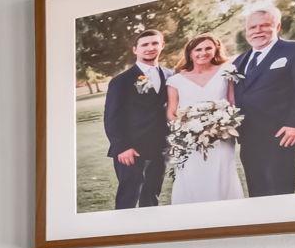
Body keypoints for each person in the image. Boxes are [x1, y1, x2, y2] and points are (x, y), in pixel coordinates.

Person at [232, 6, 295, 197]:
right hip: (249, 136)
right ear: (246, 31)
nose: (258, 31)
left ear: (278, 27)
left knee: (279, 188)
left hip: (282, 133)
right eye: (252, 27)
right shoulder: (239, 61)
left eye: (265, 25)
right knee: (256, 189)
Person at [166, 34, 244, 204]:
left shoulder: (227, 71)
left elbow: (232, 103)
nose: (203, 53)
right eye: (198, 49)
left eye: (208, 48)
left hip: (221, 137)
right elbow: (171, 112)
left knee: (221, 174)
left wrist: (223, 124)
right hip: (189, 140)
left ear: (216, 49)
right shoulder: (175, 80)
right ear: (190, 53)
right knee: (193, 176)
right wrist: (185, 131)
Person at [102, 29, 170, 208]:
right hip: (131, 150)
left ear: (162, 45)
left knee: (152, 194)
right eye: (144, 45)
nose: (150, 48)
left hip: (159, 148)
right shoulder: (121, 81)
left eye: (155, 43)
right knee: (128, 197)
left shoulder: (171, 76)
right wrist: (122, 147)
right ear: (135, 50)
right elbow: (112, 117)